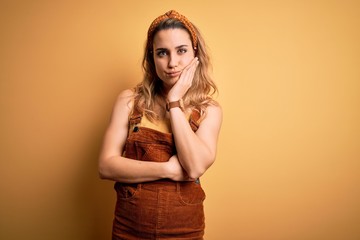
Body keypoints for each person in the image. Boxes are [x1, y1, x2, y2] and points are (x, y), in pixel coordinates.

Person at [98, 9, 222, 239]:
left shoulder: (208, 110)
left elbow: (194, 167)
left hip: (184, 230)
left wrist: (174, 102)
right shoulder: (129, 100)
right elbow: (106, 166)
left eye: (181, 51)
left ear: (195, 53)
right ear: (151, 57)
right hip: (128, 229)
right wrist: (167, 169)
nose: (172, 63)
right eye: (162, 53)